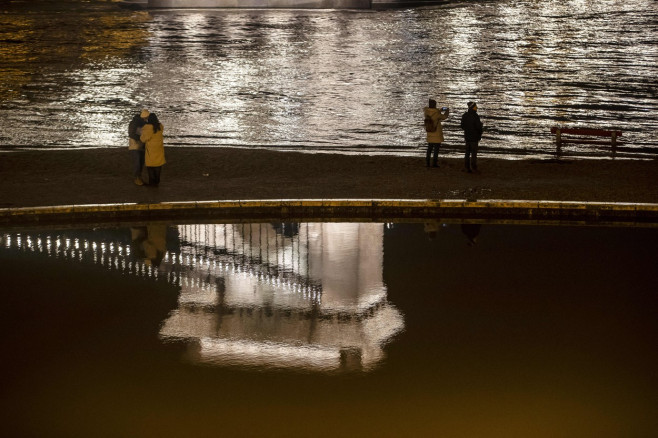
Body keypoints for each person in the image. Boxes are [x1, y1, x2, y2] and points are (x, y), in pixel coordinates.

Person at [140, 112, 165, 186]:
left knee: (150, 165)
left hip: (151, 148)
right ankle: (157, 180)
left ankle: (152, 182)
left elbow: (143, 139)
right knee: (158, 164)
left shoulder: (148, 127)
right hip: (159, 148)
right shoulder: (160, 126)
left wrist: (141, 134)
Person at [423, 99, 449, 168]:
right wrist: (447, 111)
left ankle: (427, 163)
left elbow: (433, 113)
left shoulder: (426, 112)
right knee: (436, 150)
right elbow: (444, 117)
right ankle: (434, 163)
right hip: (436, 134)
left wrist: (439, 110)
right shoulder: (437, 114)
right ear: (435, 105)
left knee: (429, 149)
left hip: (430, 134)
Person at [460, 101, 484, 173]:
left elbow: (462, 126)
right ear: (473, 107)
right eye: (475, 107)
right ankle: (473, 167)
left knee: (467, 153)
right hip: (474, 137)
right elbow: (478, 127)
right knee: (473, 154)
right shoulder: (475, 116)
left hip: (467, 137)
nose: (476, 108)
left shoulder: (465, 115)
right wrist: (480, 129)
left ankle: (467, 167)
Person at [128, 109, 149, 185]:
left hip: (141, 145)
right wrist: (141, 138)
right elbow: (131, 134)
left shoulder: (144, 123)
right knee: (137, 162)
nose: (146, 119)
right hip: (135, 146)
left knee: (141, 162)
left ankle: (139, 177)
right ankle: (137, 178)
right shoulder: (134, 123)